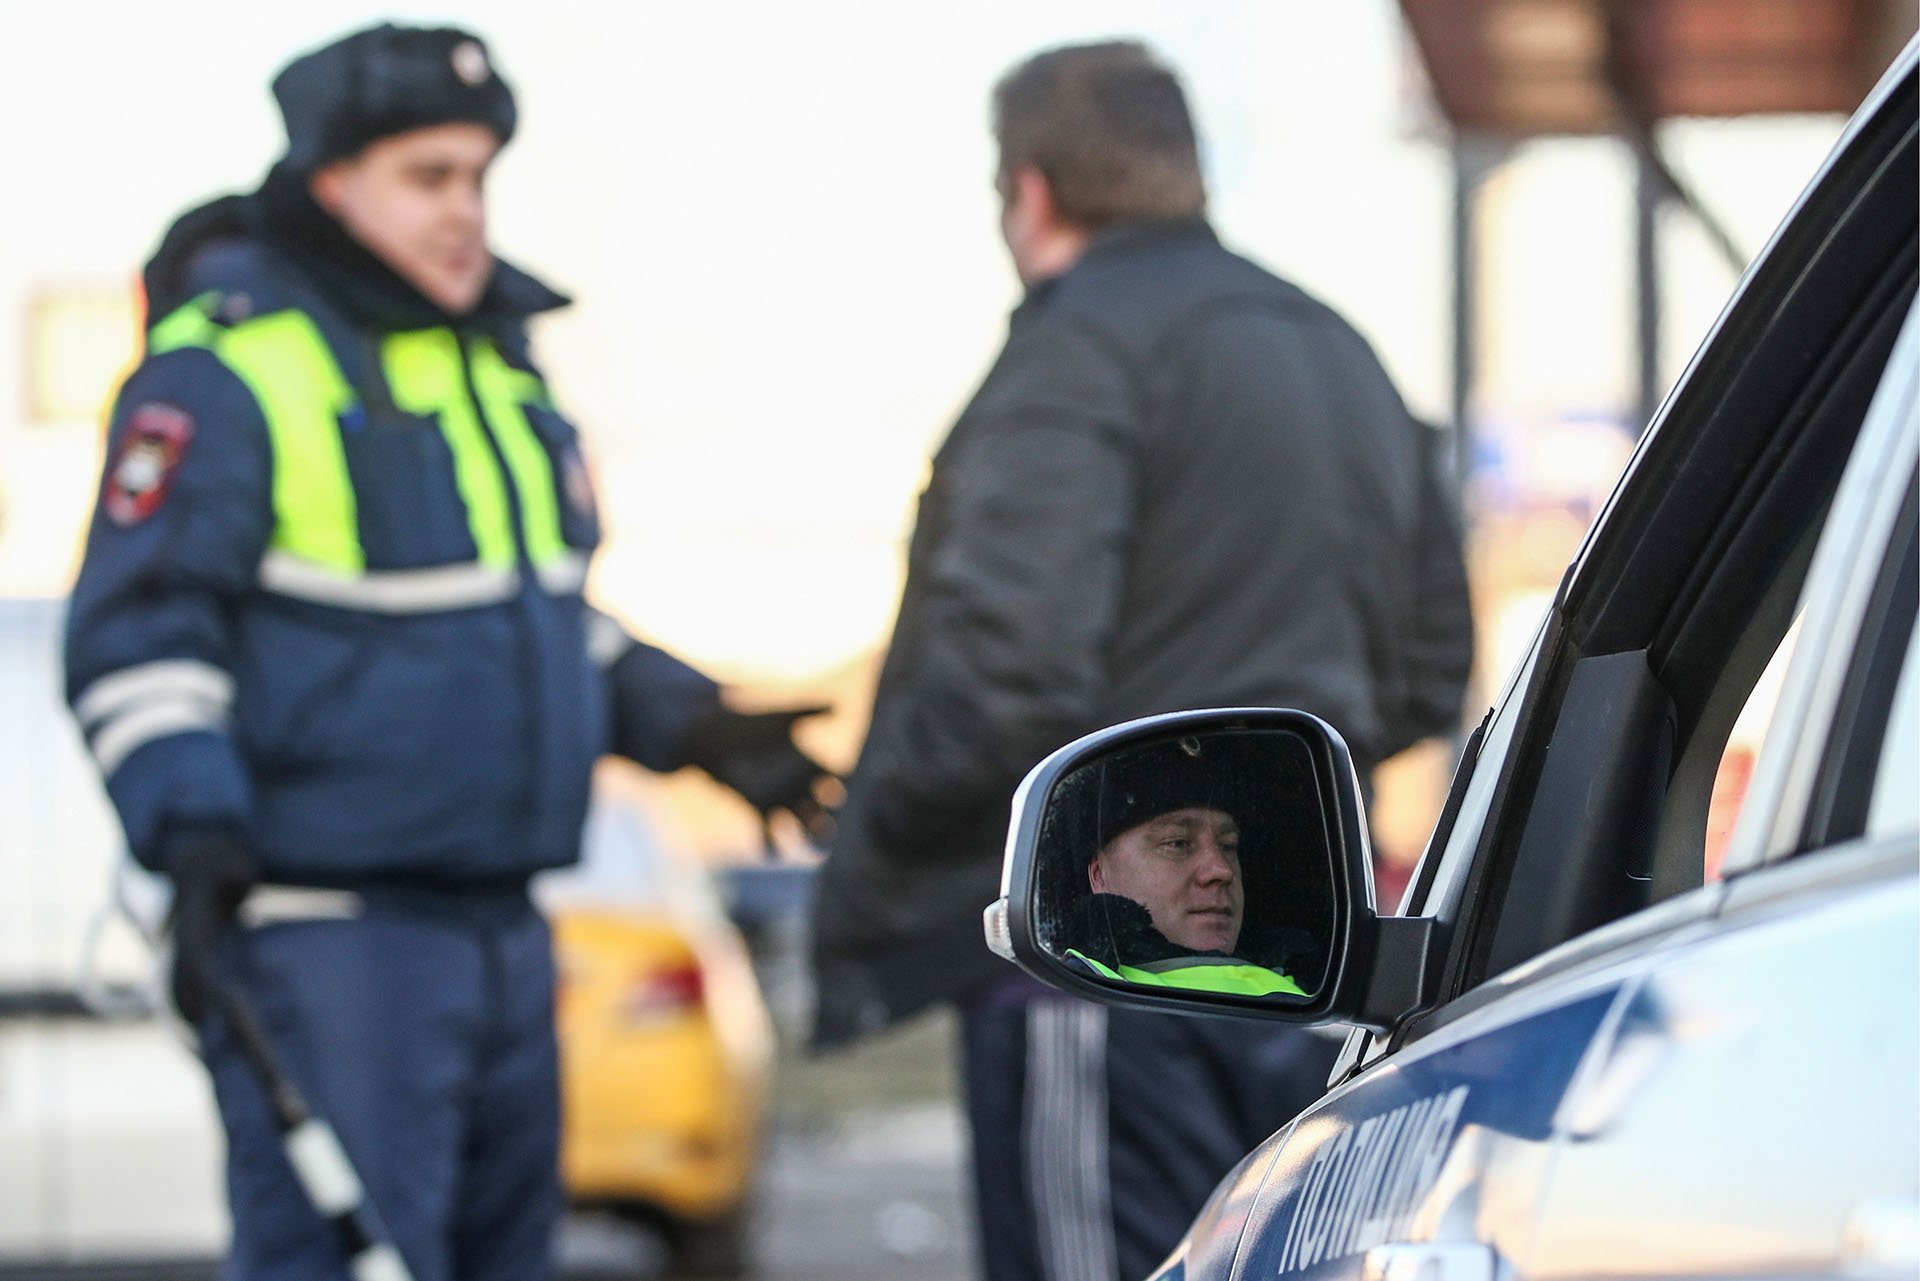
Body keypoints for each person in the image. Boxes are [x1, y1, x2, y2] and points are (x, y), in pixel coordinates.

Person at [63, 23, 831, 1280]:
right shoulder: (229, 370)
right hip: (334, 943)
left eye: (478, 177)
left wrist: (692, 727)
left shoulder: (494, 366)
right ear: (330, 183)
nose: (465, 212)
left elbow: (537, 621)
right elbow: (140, 634)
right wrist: (189, 830)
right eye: (428, 177)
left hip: (509, 936)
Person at [810, 39, 1473, 1281]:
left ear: (1032, 190)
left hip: (1097, 972)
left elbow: (1010, 665)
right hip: (1300, 964)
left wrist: (886, 822)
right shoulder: (1338, 348)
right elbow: (1434, 666)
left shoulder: (1077, 349)